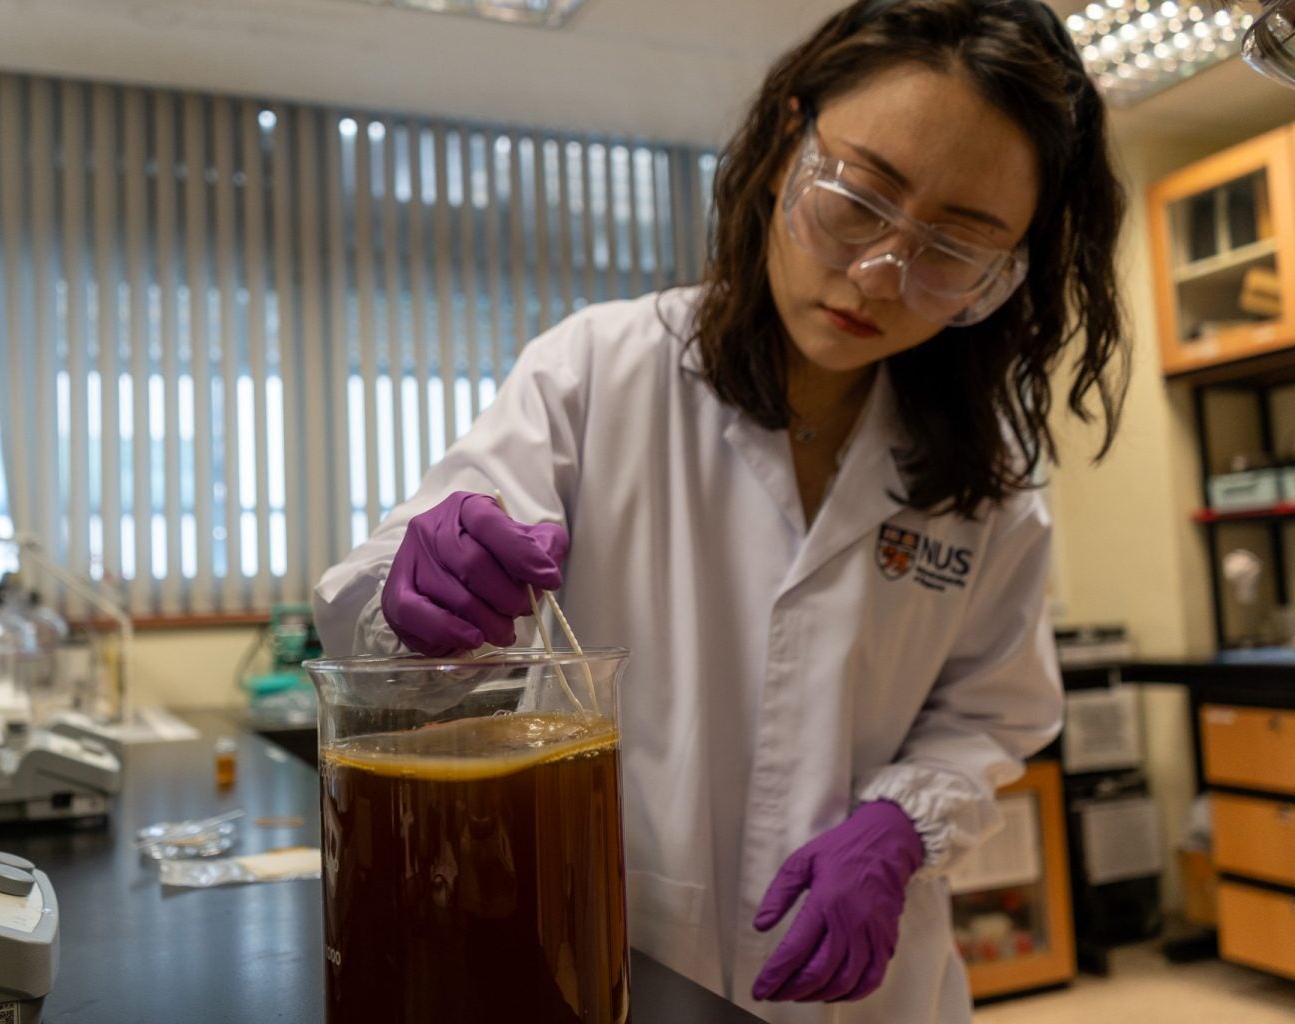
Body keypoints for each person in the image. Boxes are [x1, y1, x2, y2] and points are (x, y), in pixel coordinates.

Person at [314, 0, 1128, 1021]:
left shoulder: (991, 479)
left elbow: (994, 711)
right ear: (788, 145)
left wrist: (902, 825)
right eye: (859, 199)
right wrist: (419, 592)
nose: (878, 275)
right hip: (622, 954)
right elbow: (372, 615)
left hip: (866, 995)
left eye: (955, 247)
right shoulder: (599, 371)